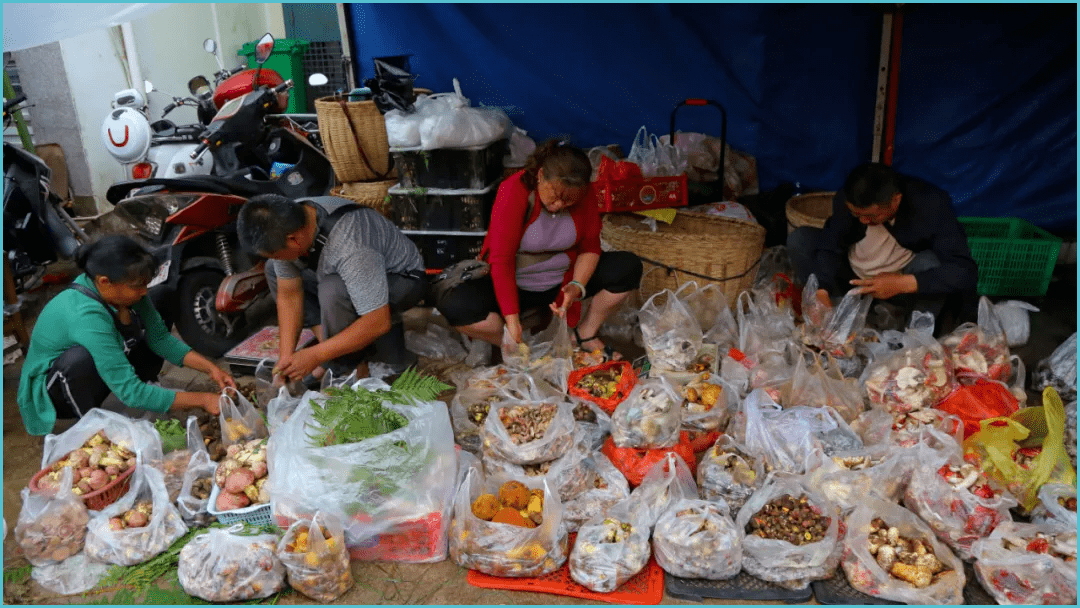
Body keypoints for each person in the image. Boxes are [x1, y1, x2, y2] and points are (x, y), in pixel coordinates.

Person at [435, 139, 643, 359]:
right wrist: (512, 321)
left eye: (569, 202)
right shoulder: (514, 189)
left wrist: (576, 285)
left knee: (626, 267)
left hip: (559, 282)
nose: (560, 206)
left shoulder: (582, 193)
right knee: (455, 304)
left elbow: (590, 246)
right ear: (541, 175)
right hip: (514, 283)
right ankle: (512, 343)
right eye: (555, 197)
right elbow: (501, 259)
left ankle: (584, 334)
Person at [18, 235, 232, 436]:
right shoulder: (85, 315)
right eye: (137, 286)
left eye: (144, 284)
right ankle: (91, 423)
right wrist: (202, 399)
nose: (143, 291)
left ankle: (145, 389)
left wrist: (211, 369)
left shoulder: (128, 292)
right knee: (78, 359)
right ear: (104, 282)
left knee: (162, 296)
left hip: (103, 365)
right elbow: (131, 392)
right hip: (56, 390)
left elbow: (160, 339)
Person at [236, 194, 427, 383]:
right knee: (273, 269)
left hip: (403, 278)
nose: (277, 259)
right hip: (349, 271)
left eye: (276, 254)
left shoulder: (350, 243)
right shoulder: (285, 223)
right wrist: (285, 360)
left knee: (333, 290)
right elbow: (289, 296)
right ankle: (332, 352)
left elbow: (378, 321)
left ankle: (346, 366)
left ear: (293, 239)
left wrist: (316, 356)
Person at [787, 162, 978, 333]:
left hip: (901, 286)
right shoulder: (846, 200)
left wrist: (902, 283)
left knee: (930, 262)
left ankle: (911, 338)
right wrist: (821, 289)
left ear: (896, 200)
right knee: (801, 239)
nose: (862, 220)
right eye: (856, 214)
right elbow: (830, 244)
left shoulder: (930, 204)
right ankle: (835, 317)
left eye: (871, 216)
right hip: (853, 282)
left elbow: (965, 271)